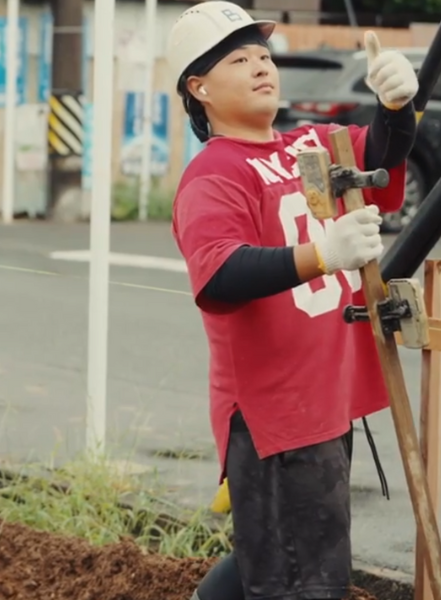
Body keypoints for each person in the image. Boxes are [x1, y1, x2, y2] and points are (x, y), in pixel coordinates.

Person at [165, 3, 418, 600]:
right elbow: (219, 274)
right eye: (239, 59)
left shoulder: (310, 144)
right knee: (302, 577)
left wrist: (396, 105)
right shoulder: (215, 174)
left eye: (263, 56)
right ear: (199, 88)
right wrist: (321, 254)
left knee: (286, 554)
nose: (261, 68)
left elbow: (380, 154)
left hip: (324, 395)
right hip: (275, 413)